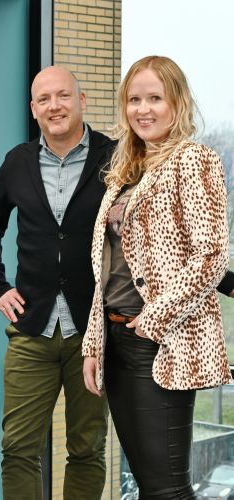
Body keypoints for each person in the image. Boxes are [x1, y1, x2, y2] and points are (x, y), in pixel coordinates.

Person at [82, 55, 232, 499]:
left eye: (154, 98)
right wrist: (93, 344)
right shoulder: (127, 170)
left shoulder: (193, 160)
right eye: (134, 99)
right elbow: (108, 268)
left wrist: (153, 320)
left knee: (168, 490)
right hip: (117, 338)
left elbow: (211, 256)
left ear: (177, 103)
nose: (143, 109)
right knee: (150, 486)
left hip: (161, 342)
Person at [0, 65, 113, 500]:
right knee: (17, 448)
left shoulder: (115, 158)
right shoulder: (18, 161)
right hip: (32, 329)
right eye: (44, 99)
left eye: (63, 96)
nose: (55, 106)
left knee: (87, 448)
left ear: (81, 100)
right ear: (33, 109)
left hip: (93, 332)